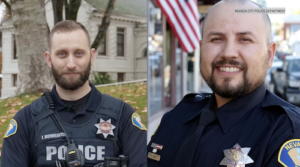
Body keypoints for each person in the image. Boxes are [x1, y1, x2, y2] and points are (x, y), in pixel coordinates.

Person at [147, 0, 300, 167]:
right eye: (217, 39)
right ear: (201, 49)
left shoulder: (287, 132)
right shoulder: (177, 116)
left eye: (244, 39)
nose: (228, 53)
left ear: (270, 55)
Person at [1, 20, 147, 167]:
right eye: (62, 54)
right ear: (49, 59)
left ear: (92, 56)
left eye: (79, 53)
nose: (71, 64)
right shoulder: (26, 121)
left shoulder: (123, 117)